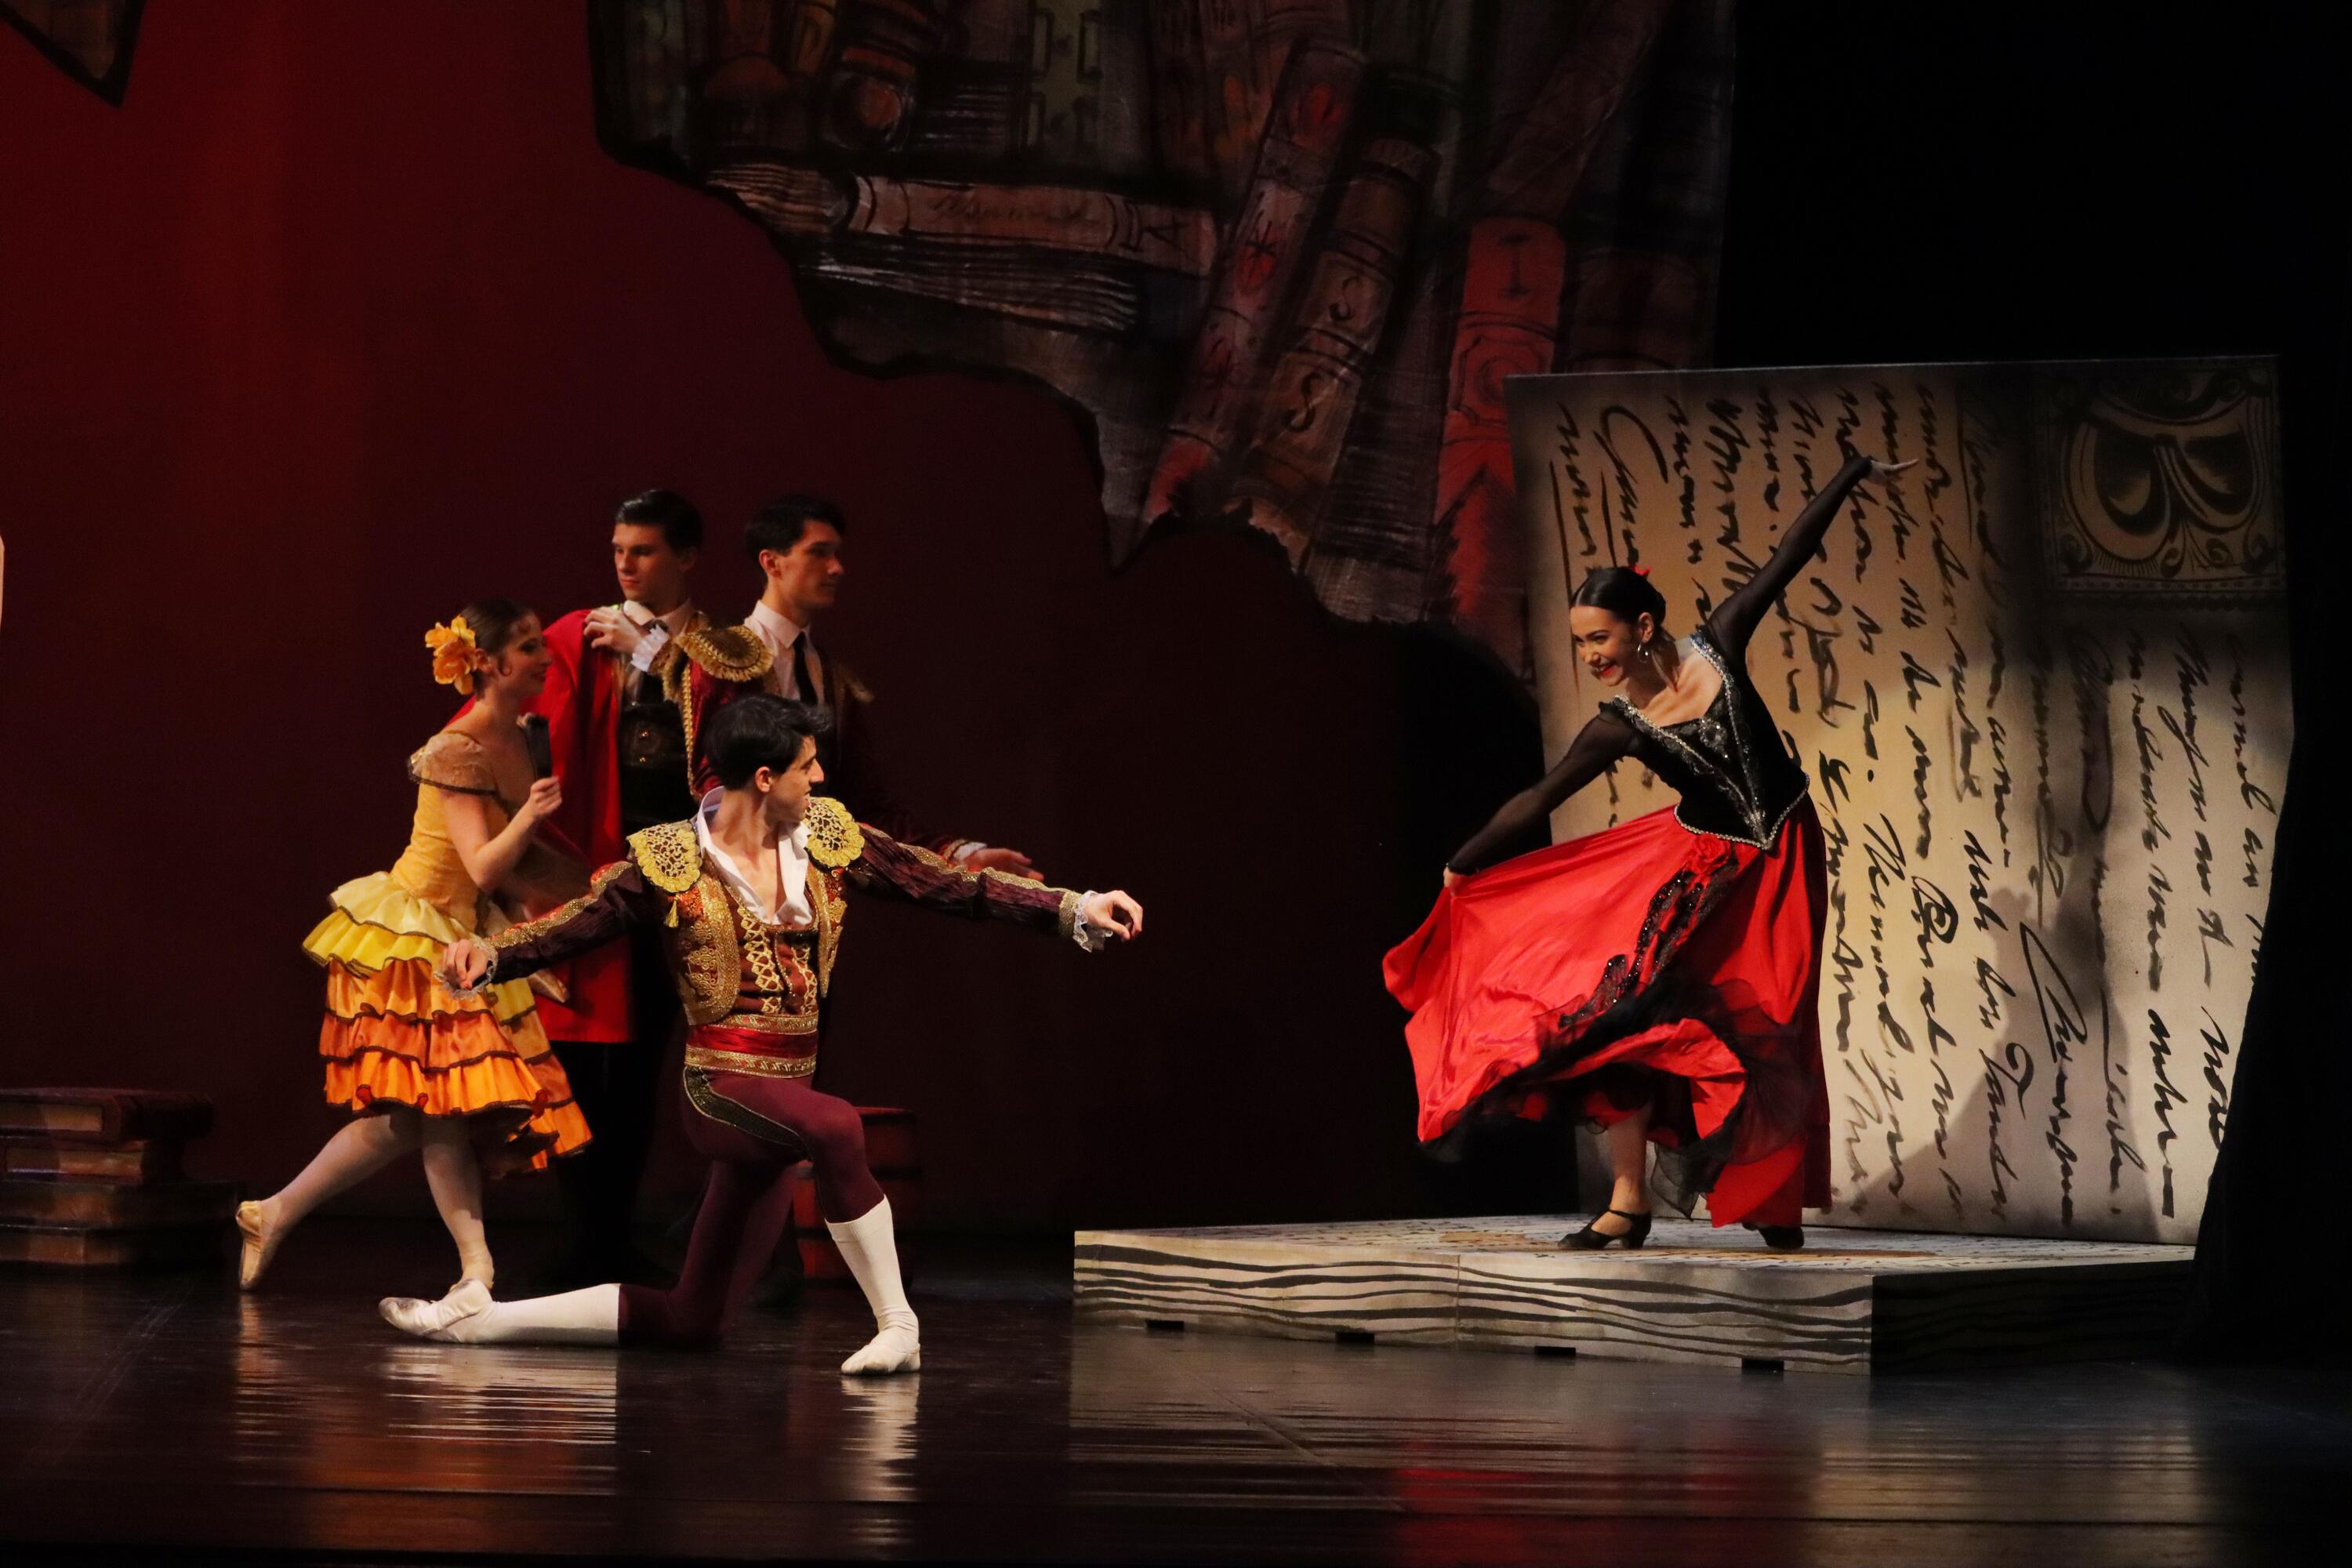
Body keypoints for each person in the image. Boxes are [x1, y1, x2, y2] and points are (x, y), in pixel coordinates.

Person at [380, 695, 1143, 1371]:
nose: (821, 780)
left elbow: (948, 883)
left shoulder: (830, 838)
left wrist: (1072, 907)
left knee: (694, 1318)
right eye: (809, 767)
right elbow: (580, 921)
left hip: (786, 1099)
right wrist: (493, 953)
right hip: (720, 1087)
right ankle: (899, 1324)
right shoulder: (671, 859)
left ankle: (481, 1321)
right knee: (838, 1126)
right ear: (767, 777)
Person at [1386, 453, 1911, 1252]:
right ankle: (1628, 1202)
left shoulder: (1719, 646)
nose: (1590, 654)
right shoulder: (1619, 724)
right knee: (1624, 1013)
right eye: (1579, 643)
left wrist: (1851, 473)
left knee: (1773, 1019)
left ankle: (1770, 1199)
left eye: (1599, 637)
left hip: (1784, 853)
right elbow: (1540, 796)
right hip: (1700, 871)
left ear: (1641, 627)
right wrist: (1464, 860)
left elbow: (1789, 555)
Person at [238, 601, 593, 1294]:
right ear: (489, 664)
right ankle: (476, 1269)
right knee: (441, 1111)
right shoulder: (456, 748)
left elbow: (514, 873)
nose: (545, 657)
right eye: (528, 647)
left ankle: (274, 1212)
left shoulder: (524, 736)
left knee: (414, 1119)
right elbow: (483, 864)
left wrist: (579, 896)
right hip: (412, 940)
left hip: (465, 937)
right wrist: (531, 815)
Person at [525, 488, 711, 1286]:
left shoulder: (720, 650)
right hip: (590, 874)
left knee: (641, 1064)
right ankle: (582, 1240)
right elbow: (527, 732)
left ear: (686, 558)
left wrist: (651, 655)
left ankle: (611, 1236)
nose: (626, 565)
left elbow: (726, 739)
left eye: (643, 550)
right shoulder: (581, 632)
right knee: (576, 1061)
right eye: (618, 550)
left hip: (675, 880)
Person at [666, 493, 1039, 874]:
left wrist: (958, 854)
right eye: (819, 553)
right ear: (772, 562)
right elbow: (711, 783)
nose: (836, 568)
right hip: (741, 868)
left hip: (818, 876)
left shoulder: (831, 675)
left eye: (836, 554)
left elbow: (866, 803)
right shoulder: (720, 656)